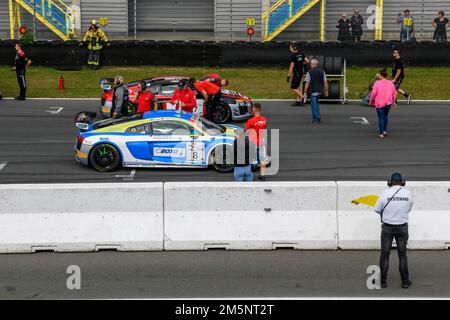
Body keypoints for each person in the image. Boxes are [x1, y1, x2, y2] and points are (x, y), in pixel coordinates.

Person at [374, 172, 413, 289]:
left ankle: (382, 282)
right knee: (402, 255)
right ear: (402, 182)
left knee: (385, 254)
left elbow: (376, 209)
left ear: (390, 182)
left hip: (388, 227)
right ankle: (405, 281)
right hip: (402, 227)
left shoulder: (385, 193)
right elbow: (409, 208)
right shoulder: (408, 193)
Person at [369, 69, 397, 139]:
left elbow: (373, 93)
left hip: (379, 103)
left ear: (382, 75)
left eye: (379, 74)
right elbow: (394, 93)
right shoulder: (391, 83)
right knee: (385, 116)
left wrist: (370, 100)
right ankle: (384, 131)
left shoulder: (377, 83)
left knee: (381, 118)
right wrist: (394, 102)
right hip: (388, 103)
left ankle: (381, 133)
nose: (378, 76)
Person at [245, 103, 268, 181]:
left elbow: (246, 131)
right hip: (261, 142)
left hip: (253, 142)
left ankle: (250, 175)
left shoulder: (250, 121)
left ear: (254, 109)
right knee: (263, 160)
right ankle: (262, 175)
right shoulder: (264, 120)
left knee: (251, 159)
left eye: (252, 108)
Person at [303, 59, 328, 124]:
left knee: (313, 105)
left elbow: (307, 83)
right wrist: (326, 90)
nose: (310, 64)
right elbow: (325, 82)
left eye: (311, 63)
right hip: (319, 91)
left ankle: (315, 119)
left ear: (313, 64)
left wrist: (305, 91)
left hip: (312, 91)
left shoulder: (309, 72)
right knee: (316, 104)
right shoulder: (322, 71)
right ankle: (318, 116)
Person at [287, 42, 309, 106]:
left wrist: (288, 75)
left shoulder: (293, 56)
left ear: (293, 48)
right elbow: (307, 61)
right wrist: (301, 63)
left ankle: (303, 97)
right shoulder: (301, 53)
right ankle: (298, 101)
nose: (289, 49)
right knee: (297, 87)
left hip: (296, 73)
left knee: (293, 88)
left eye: (290, 47)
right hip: (301, 72)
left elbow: (291, 67)